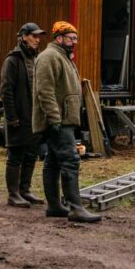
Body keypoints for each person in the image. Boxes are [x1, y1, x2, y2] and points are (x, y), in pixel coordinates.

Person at [33, 21, 101, 223]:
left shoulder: (63, 56)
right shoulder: (49, 57)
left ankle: (55, 206)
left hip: (64, 119)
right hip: (58, 120)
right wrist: (54, 118)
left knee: (53, 161)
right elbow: (44, 90)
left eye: (76, 38)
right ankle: (76, 208)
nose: (75, 42)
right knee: (70, 160)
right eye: (71, 38)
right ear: (59, 38)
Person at [0, 22, 46, 208]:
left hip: (34, 117)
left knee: (31, 155)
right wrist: (12, 118)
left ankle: (25, 190)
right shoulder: (12, 60)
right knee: (15, 156)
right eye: (34, 36)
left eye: (39, 36)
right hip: (18, 118)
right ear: (23, 36)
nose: (37, 39)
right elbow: (6, 91)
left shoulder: (36, 59)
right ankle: (13, 195)